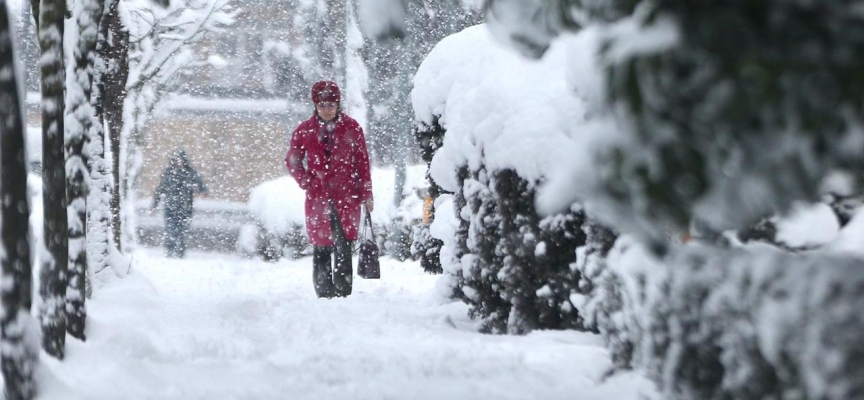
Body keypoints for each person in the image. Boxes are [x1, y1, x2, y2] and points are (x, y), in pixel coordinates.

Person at [285, 80, 374, 298]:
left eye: (331, 105)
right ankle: (324, 293)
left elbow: (362, 163)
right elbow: (293, 161)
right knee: (322, 246)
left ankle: (343, 292)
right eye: (322, 105)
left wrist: (367, 194)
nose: (327, 110)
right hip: (318, 198)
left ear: (338, 105)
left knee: (344, 246)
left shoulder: (352, 128)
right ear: (315, 106)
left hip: (347, 196)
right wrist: (307, 182)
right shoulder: (304, 130)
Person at [152, 149, 208, 258]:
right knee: (170, 230)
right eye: (176, 159)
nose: (178, 162)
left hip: (185, 208)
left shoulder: (190, 172)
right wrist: (154, 206)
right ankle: (169, 252)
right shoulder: (168, 173)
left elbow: (199, 184)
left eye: (180, 159)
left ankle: (180, 253)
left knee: (182, 231)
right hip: (170, 207)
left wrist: (203, 191)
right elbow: (160, 190)